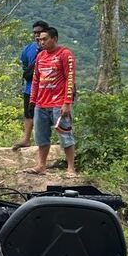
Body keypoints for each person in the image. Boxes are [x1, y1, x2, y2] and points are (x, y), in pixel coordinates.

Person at [26, 26, 77, 177]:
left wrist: (67, 102)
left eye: (44, 39)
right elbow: (36, 80)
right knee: (41, 137)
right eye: (39, 40)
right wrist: (32, 101)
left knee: (65, 135)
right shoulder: (40, 57)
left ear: (54, 39)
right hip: (41, 103)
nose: (41, 42)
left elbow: (70, 79)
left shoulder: (65, 54)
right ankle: (41, 165)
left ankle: (71, 168)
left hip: (58, 102)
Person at [13, 20, 49, 149]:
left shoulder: (52, 49)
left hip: (48, 88)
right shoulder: (28, 49)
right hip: (30, 88)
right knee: (28, 113)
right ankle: (26, 138)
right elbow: (25, 67)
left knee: (50, 114)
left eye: (39, 32)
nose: (37, 35)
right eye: (34, 33)